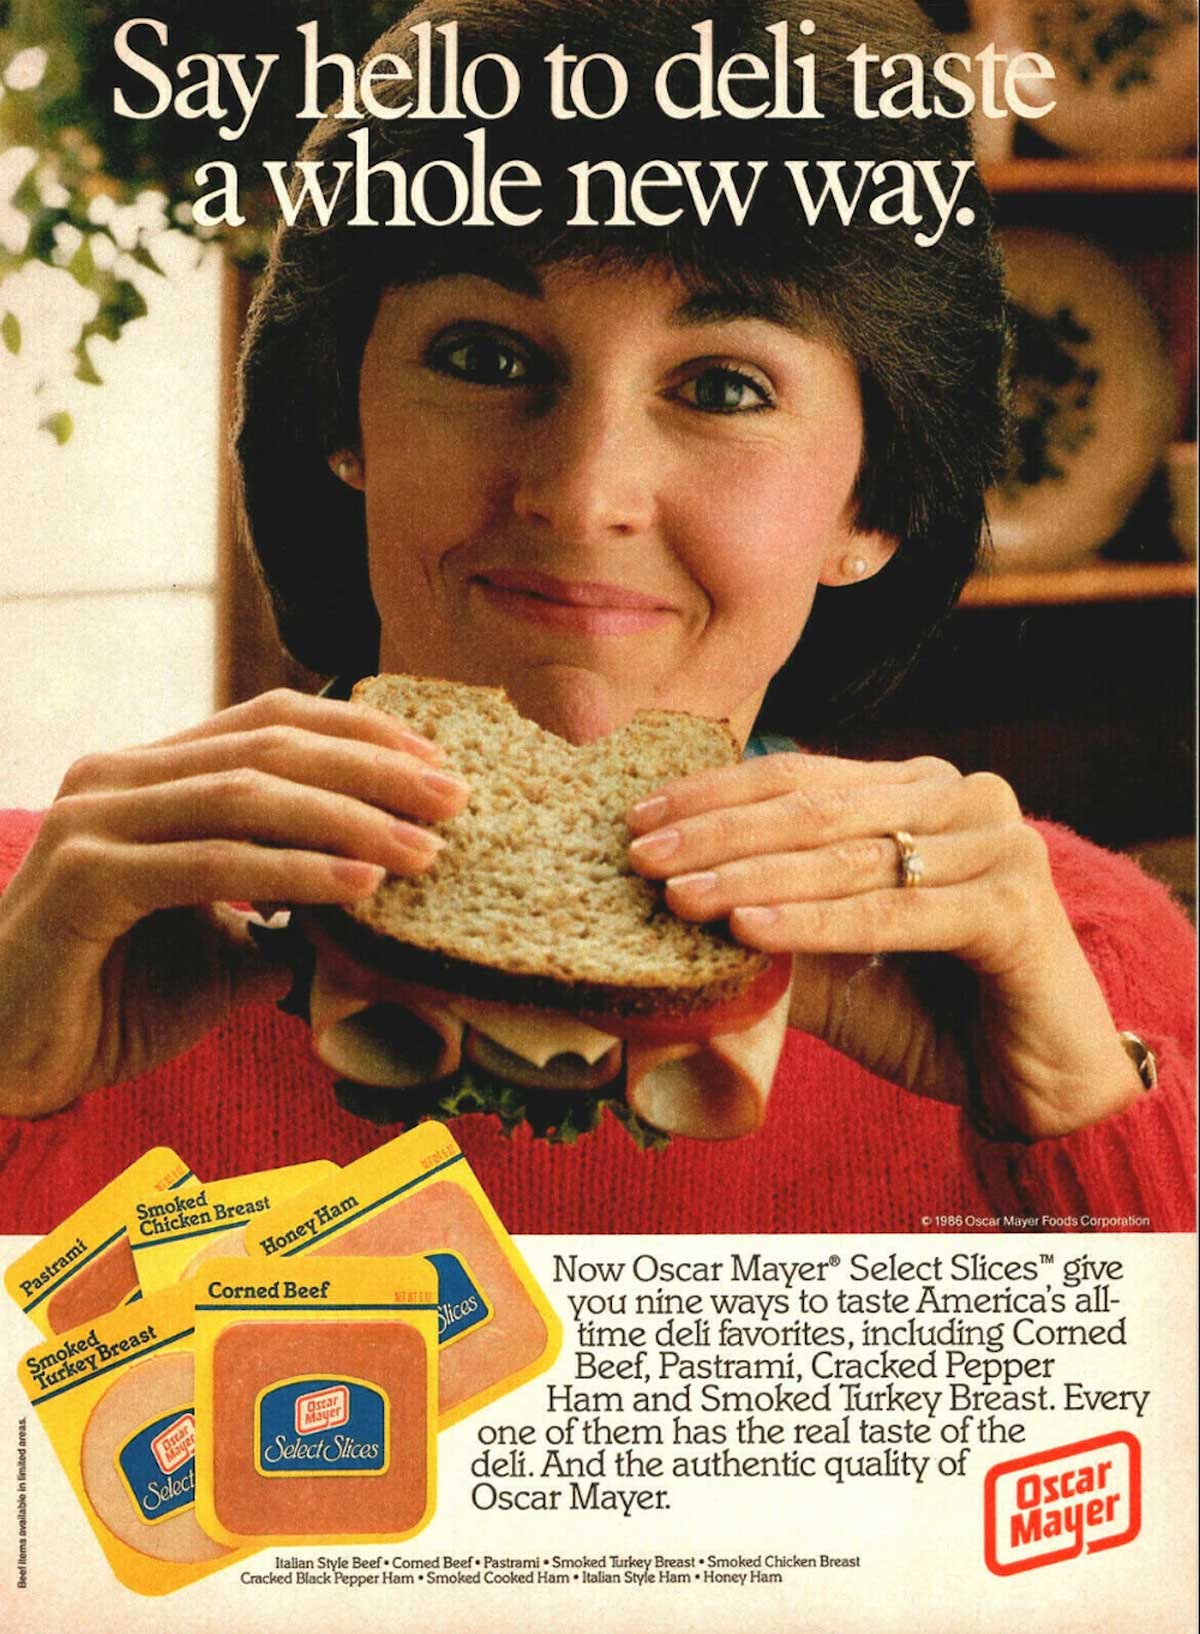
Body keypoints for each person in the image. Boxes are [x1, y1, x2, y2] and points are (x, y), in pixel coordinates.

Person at [0, 0, 1193, 1233]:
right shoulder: (43, 920)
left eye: (723, 386)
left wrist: (1076, 1126)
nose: (578, 496)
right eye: (483, 356)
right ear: (343, 421)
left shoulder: (1076, 967)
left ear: (874, 505)